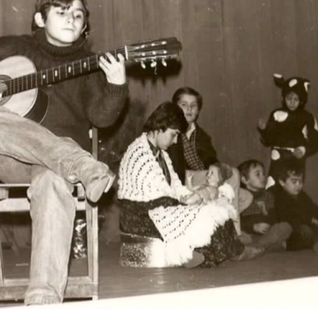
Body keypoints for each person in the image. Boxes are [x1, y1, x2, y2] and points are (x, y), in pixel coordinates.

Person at [0, 0, 128, 305]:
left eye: (78, 14)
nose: (71, 19)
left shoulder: (91, 67)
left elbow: (101, 118)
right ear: (39, 19)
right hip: (14, 160)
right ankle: (81, 165)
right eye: (61, 11)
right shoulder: (19, 48)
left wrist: (116, 85)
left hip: (56, 168)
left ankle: (42, 298)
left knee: (51, 179)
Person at [117, 102, 265, 268]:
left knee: (215, 209)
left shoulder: (161, 154)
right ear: (160, 127)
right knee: (206, 215)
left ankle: (197, 254)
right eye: (173, 135)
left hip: (160, 209)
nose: (174, 142)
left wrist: (189, 197)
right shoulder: (139, 153)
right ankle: (231, 252)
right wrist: (190, 201)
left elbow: (176, 186)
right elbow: (154, 200)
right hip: (143, 218)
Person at [167, 87, 242, 233]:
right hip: (183, 178)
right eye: (183, 104)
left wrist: (216, 171)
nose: (189, 109)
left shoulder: (201, 135)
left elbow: (210, 158)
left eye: (193, 105)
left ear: (198, 110)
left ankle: (221, 228)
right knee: (233, 176)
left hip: (204, 177)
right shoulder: (171, 132)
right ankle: (234, 232)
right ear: (175, 107)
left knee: (242, 194)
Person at [271, 158, 318, 252]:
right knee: (306, 231)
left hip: (311, 224)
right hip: (295, 229)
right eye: (294, 182)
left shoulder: (303, 195)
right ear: (282, 182)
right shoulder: (280, 198)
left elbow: (312, 209)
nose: (298, 185)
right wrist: (309, 219)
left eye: (301, 181)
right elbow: (288, 218)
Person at [258, 74, 318, 188]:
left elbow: (315, 142)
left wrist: (303, 150)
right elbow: (268, 140)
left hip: (295, 159)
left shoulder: (307, 117)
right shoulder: (276, 114)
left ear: (302, 100)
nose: (292, 102)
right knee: (273, 187)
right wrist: (263, 130)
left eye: (296, 99)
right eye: (289, 98)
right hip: (277, 158)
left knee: (292, 188)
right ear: (283, 98)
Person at [237, 159, 292, 251]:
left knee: (285, 226)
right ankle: (264, 246)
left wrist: (265, 211)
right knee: (238, 235)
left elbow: (274, 219)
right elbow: (237, 220)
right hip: (249, 235)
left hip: (266, 235)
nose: (263, 177)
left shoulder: (268, 196)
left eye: (264, 174)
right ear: (244, 179)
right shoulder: (241, 196)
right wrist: (253, 226)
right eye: (258, 174)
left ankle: (258, 246)